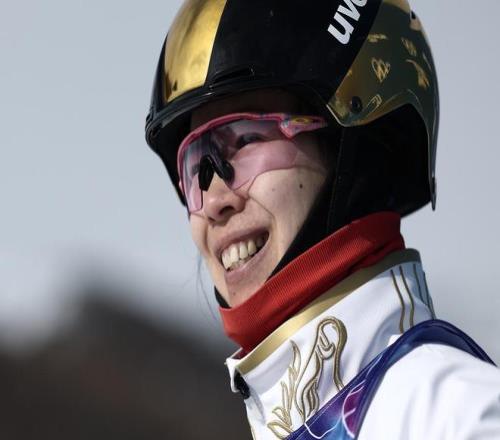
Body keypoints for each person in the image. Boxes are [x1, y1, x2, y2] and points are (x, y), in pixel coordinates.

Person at [145, 0, 500, 438]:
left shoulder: (458, 416)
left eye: (247, 139)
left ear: (349, 146)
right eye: (196, 163)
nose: (216, 199)